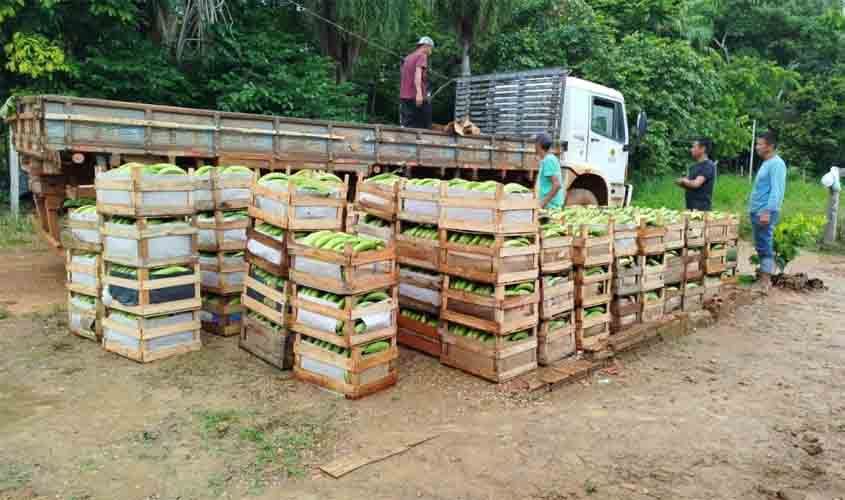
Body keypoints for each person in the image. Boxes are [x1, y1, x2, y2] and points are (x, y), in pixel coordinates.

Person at [749, 130, 787, 294]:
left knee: (765, 245)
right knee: (760, 245)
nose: (757, 147)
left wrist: (767, 211)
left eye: (760, 144)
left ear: (770, 146)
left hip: (764, 212)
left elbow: (777, 191)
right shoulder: (767, 162)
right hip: (757, 211)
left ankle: (765, 282)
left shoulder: (777, 164)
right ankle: (763, 279)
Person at [399, 36, 434, 129]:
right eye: (431, 48)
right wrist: (419, 94)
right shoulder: (422, 56)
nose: (431, 51)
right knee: (425, 126)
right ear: (426, 46)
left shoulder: (408, 58)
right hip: (417, 98)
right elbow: (417, 75)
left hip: (404, 97)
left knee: (407, 126)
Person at [675, 137, 716, 211]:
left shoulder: (708, 165)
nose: (691, 149)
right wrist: (680, 182)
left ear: (703, 149)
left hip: (702, 210)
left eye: (694, 147)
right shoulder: (693, 166)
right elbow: (689, 184)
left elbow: (696, 184)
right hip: (690, 208)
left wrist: (683, 180)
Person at [535, 133, 563, 209]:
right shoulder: (547, 159)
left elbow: (557, 185)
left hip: (551, 208)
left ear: (538, 145)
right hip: (548, 207)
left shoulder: (548, 160)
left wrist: (542, 204)